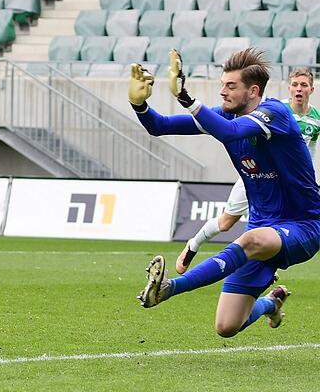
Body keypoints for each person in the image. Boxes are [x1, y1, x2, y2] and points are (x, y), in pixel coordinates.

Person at [130, 48, 320, 337]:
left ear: (253, 91)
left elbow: (229, 133)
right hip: (262, 227)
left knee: (251, 239)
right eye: (222, 85)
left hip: (303, 226)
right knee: (227, 326)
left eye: (231, 86)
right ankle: (270, 304)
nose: (222, 92)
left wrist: (186, 97)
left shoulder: (275, 114)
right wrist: (139, 104)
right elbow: (159, 126)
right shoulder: (223, 117)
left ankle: (168, 288)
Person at [176, 68, 320, 274]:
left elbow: (310, 149)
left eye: (303, 85)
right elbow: (236, 130)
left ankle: (265, 270)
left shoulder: (316, 119)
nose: (299, 89)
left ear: (311, 89)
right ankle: (194, 244)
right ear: (289, 88)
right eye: (295, 84)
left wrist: (310, 178)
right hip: (258, 176)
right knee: (226, 222)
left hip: (289, 181)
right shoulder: (278, 111)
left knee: (280, 224)